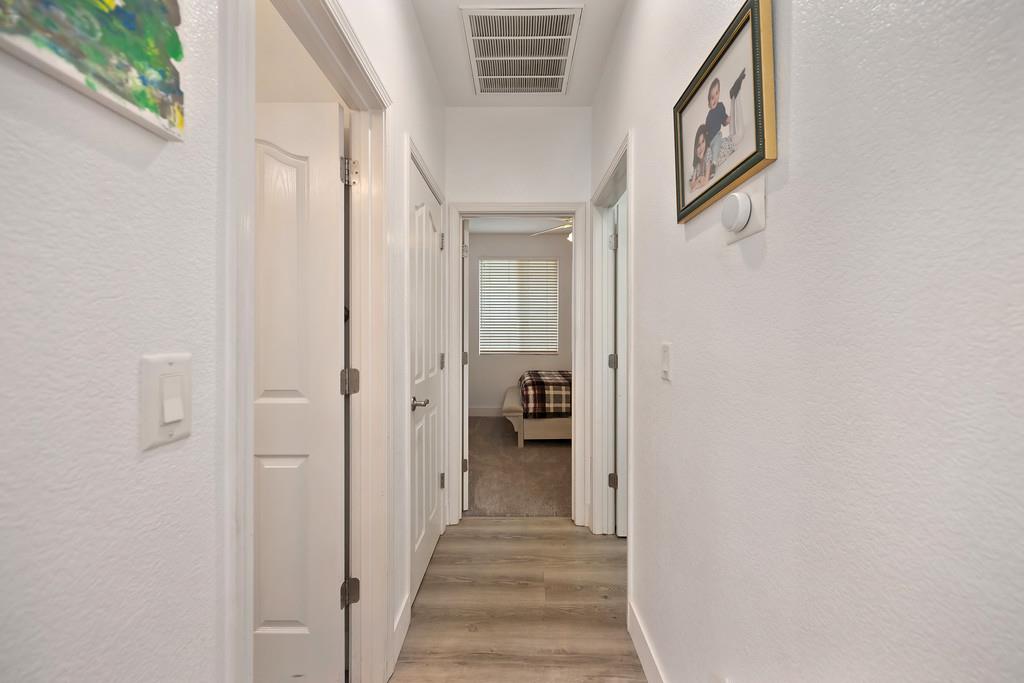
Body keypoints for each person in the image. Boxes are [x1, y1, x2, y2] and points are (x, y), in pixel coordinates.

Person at [705, 78, 730, 171]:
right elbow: (706, 131)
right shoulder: (709, 115)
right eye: (712, 98)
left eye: (716, 93)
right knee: (719, 135)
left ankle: (714, 163)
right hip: (710, 140)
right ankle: (713, 163)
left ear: (719, 92)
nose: (715, 98)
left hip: (716, 138)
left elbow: (724, 121)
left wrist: (728, 120)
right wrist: (707, 144)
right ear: (709, 103)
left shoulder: (721, 106)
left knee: (719, 136)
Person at [689, 124, 711, 192]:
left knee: (738, 135)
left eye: (703, 141)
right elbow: (692, 184)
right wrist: (698, 180)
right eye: (699, 145)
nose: (701, 147)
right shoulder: (697, 164)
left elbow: (706, 181)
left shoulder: (708, 152)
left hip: (726, 147)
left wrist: (696, 187)